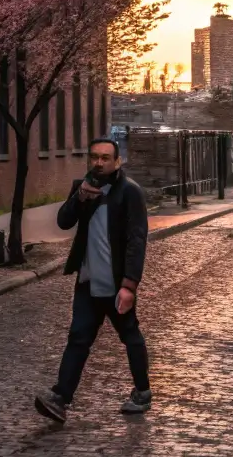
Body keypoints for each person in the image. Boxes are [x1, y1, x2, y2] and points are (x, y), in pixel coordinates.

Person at [35, 134, 150, 425]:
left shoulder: (130, 192)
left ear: (117, 161)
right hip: (87, 282)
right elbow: (63, 221)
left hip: (115, 284)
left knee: (130, 337)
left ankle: (143, 392)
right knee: (78, 338)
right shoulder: (83, 187)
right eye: (94, 157)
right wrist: (79, 198)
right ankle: (61, 398)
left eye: (105, 158)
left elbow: (137, 241)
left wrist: (129, 286)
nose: (98, 163)